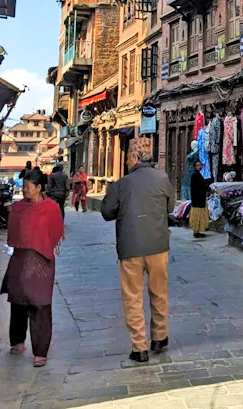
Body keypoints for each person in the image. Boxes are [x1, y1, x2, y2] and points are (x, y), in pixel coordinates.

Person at [101, 138, 174, 364]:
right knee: (159, 292)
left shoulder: (122, 184)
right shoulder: (162, 178)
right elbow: (170, 208)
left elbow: (106, 212)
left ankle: (139, 347)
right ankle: (160, 337)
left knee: (133, 297)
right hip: (158, 245)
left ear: (134, 157)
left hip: (131, 248)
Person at [2, 167, 63, 367]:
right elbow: (13, 232)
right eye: (24, 187)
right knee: (18, 301)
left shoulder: (51, 208)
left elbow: (55, 233)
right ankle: (17, 341)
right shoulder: (19, 208)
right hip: (20, 258)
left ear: (38, 188)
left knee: (40, 304)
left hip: (42, 260)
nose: (25, 191)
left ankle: (40, 351)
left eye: (28, 187)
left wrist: (42, 246)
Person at [189, 161, 211, 239]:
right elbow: (200, 186)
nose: (199, 167)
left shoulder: (198, 175)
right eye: (197, 165)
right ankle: (196, 231)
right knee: (197, 215)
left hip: (200, 198)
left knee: (200, 215)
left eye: (200, 165)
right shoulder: (195, 175)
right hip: (197, 198)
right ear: (195, 166)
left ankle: (198, 231)